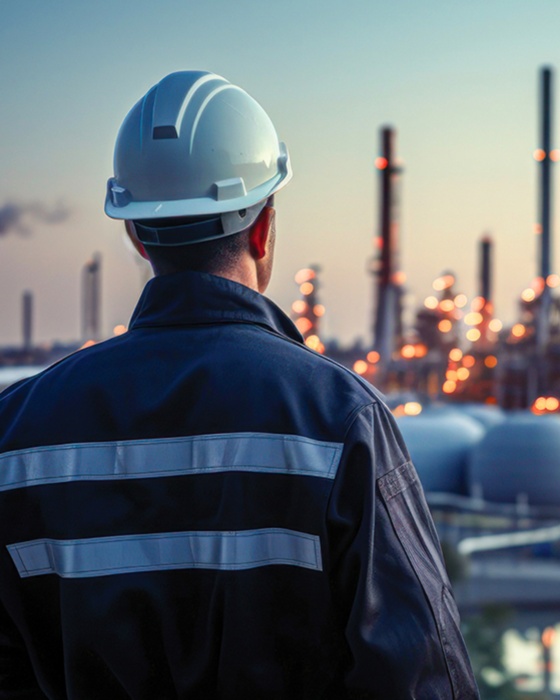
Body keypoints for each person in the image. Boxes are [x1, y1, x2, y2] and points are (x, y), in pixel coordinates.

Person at [0, 71, 478, 699]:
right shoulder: (338, 419)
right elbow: (422, 677)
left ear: (135, 233)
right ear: (262, 228)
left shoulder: (16, 431)